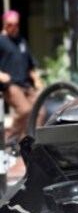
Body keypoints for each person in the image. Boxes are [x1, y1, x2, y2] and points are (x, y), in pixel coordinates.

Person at [0, 10, 41, 141]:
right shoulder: (1, 40)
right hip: (11, 85)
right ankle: (8, 136)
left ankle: (29, 141)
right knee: (25, 110)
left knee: (41, 110)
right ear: (4, 24)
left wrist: (36, 79)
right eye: (10, 24)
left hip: (26, 85)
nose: (13, 27)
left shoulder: (22, 41)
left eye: (16, 24)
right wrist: (1, 75)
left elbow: (30, 65)